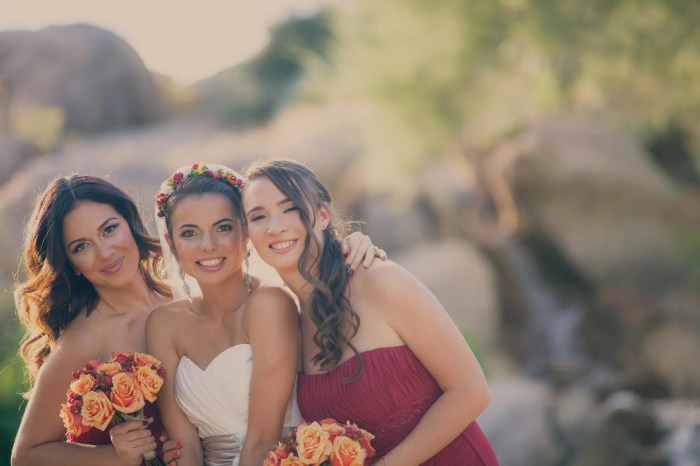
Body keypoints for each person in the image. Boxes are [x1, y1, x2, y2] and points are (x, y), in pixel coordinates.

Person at [242, 159, 499, 466]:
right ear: (248, 233)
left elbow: (472, 392)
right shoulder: (290, 321)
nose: (276, 226)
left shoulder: (378, 280)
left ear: (323, 216)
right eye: (259, 217)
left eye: (290, 208)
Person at [146, 163, 384, 466]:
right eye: (189, 233)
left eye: (223, 228)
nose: (208, 245)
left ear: (246, 232)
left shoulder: (270, 303)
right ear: (171, 243)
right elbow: (184, 444)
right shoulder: (163, 324)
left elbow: (263, 441)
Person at [12, 175, 181, 466]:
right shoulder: (83, 341)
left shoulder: (184, 296)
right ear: (71, 265)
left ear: (130, 222)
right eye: (81, 246)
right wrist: (115, 456)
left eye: (109, 229)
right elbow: (25, 455)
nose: (105, 253)